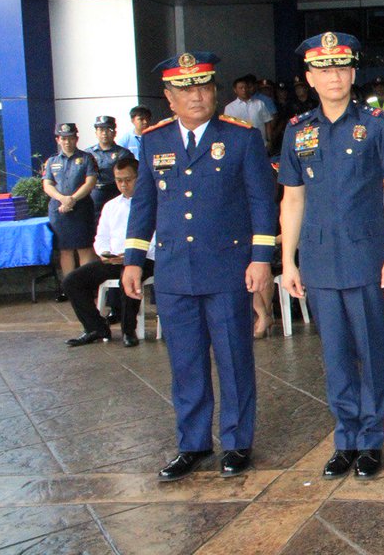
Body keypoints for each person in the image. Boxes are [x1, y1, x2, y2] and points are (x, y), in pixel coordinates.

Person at [122, 51, 277, 482]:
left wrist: (261, 259)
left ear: (215, 91)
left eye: (204, 87)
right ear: (169, 98)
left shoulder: (242, 138)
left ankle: (236, 442)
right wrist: (134, 260)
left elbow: (263, 204)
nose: (197, 96)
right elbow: (144, 205)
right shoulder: (154, 141)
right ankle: (192, 443)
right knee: (186, 363)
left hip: (228, 269)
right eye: (186, 90)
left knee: (233, 359)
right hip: (174, 272)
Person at [279, 32, 384, 481]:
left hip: (366, 255)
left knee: (372, 351)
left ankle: (371, 439)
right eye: (323, 69)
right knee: (333, 354)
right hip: (317, 260)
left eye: (341, 67)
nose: (333, 76)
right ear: (310, 78)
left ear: (352, 73)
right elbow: (292, 200)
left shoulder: (376, 124)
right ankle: (345, 437)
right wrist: (288, 262)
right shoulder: (298, 131)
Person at [63, 157, 153, 347]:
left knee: (127, 277)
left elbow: (159, 238)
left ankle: (129, 330)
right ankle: (95, 327)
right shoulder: (111, 206)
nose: (123, 185)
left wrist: (132, 256)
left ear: (140, 177)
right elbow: (101, 237)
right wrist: (105, 253)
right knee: (72, 280)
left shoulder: (153, 204)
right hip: (114, 259)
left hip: (145, 259)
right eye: (119, 180)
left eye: (128, 180)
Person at [42, 123, 99, 281]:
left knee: (84, 247)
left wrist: (73, 199)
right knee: (65, 249)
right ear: (58, 140)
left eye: (71, 138)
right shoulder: (51, 161)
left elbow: (90, 182)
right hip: (59, 210)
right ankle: (70, 286)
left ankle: (87, 286)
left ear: (76, 139)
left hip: (81, 209)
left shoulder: (87, 158)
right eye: (64, 138)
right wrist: (63, 199)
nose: (67, 142)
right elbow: (47, 184)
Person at [87, 116, 133, 216]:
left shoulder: (123, 154)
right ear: (96, 133)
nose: (104, 133)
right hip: (95, 193)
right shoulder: (88, 154)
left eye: (109, 129)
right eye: (101, 130)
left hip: (116, 192)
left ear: (115, 133)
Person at [224, 74, 272, 142]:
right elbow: (228, 129)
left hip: (260, 143)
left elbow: (267, 122)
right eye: (241, 88)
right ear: (235, 90)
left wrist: (270, 141)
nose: (244, 90)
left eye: (246, 87)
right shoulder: (229, 108)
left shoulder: (259, 104)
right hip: (240, 145)